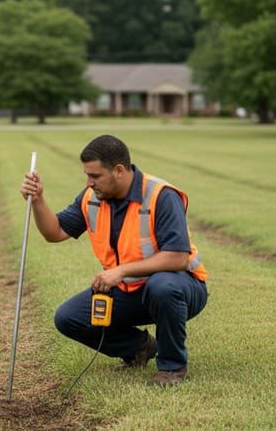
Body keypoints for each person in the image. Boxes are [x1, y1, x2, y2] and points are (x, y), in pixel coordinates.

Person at [20, 134, 208, 386]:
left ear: (119, 170)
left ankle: (172, 367)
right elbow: (55, 233)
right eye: (87, 175)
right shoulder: (91, 198)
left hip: (182, 288)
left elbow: (178, 258)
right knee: (68, 317)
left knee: (162, 285)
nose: (89, 183)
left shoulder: (160, 195)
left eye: (95, 176)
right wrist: (38, 200)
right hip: (130, 290)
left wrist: (119, 271)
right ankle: (139, 348)